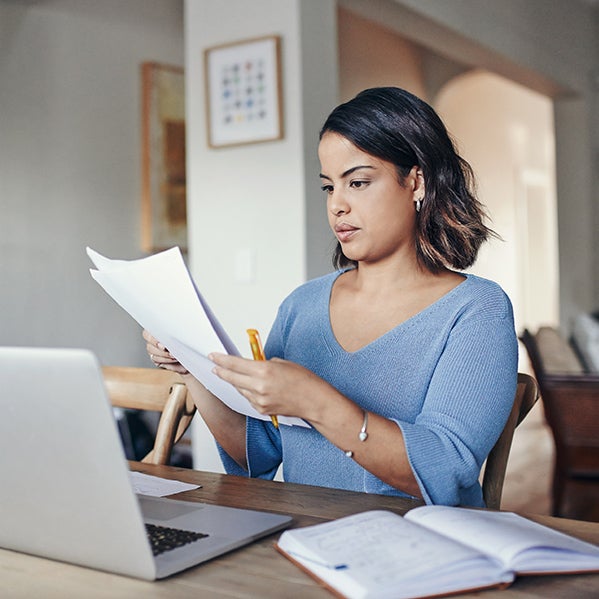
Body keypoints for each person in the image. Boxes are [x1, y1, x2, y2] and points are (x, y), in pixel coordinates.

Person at [144, 87, 518, 507]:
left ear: (416, 181)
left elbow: (447, 469)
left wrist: (315, 401)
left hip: (422, 552)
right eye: (328, 187)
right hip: (303, 539)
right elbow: (260, 453)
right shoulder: (301, 307)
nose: (337, 205)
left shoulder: (477, 310)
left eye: (358, 182)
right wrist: (191, 368)